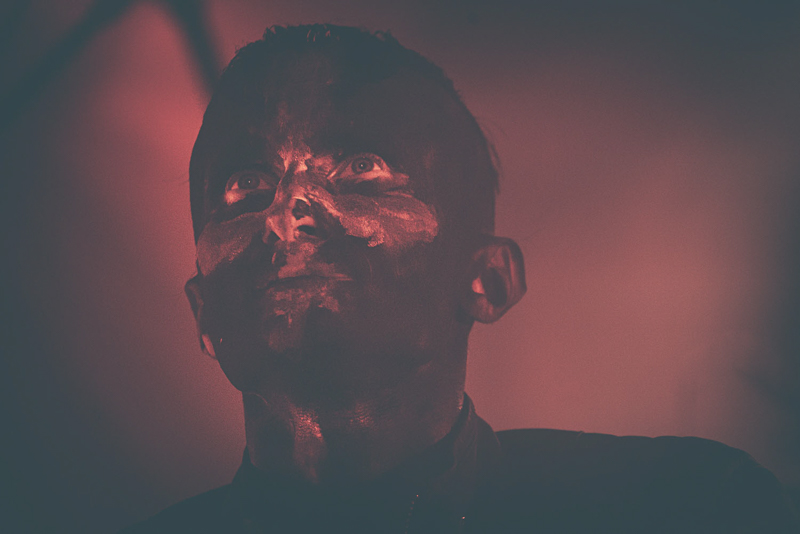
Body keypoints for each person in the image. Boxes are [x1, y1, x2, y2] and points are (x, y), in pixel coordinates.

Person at [122, 24, 799, 533]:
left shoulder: (685, 508)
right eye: (246, 184)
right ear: (204, 313)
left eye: (362, 168)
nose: (287, 209)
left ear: (488, 280)